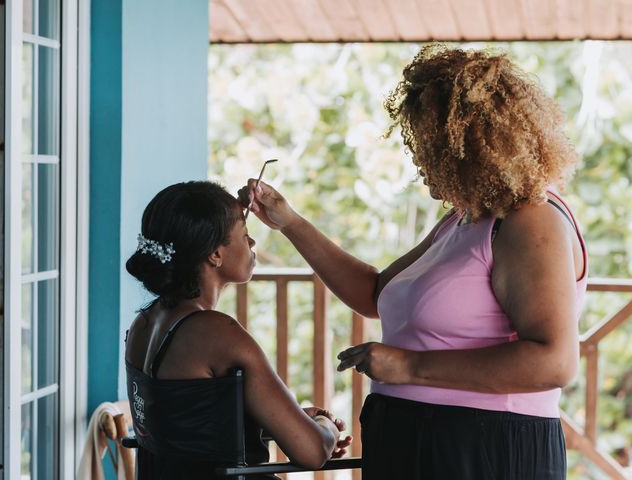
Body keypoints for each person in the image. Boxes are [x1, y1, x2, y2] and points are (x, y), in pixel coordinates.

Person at [242, 45, 587, 479]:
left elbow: (554, 362)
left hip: (482, 449)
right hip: (416, 440)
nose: (420, 159)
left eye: (428, 144)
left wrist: (408, 366)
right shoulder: (465, 218)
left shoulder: (530, 220)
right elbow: (374, 293)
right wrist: (289, 221)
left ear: (471, 143)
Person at [124, 181, 351, 479]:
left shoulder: (143, 323)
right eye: (244, 235)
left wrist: (279, 423)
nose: (253, 243)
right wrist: (326, 427)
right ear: (215, 255)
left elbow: (188, 433)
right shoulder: (216, 333)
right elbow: (311, 451)